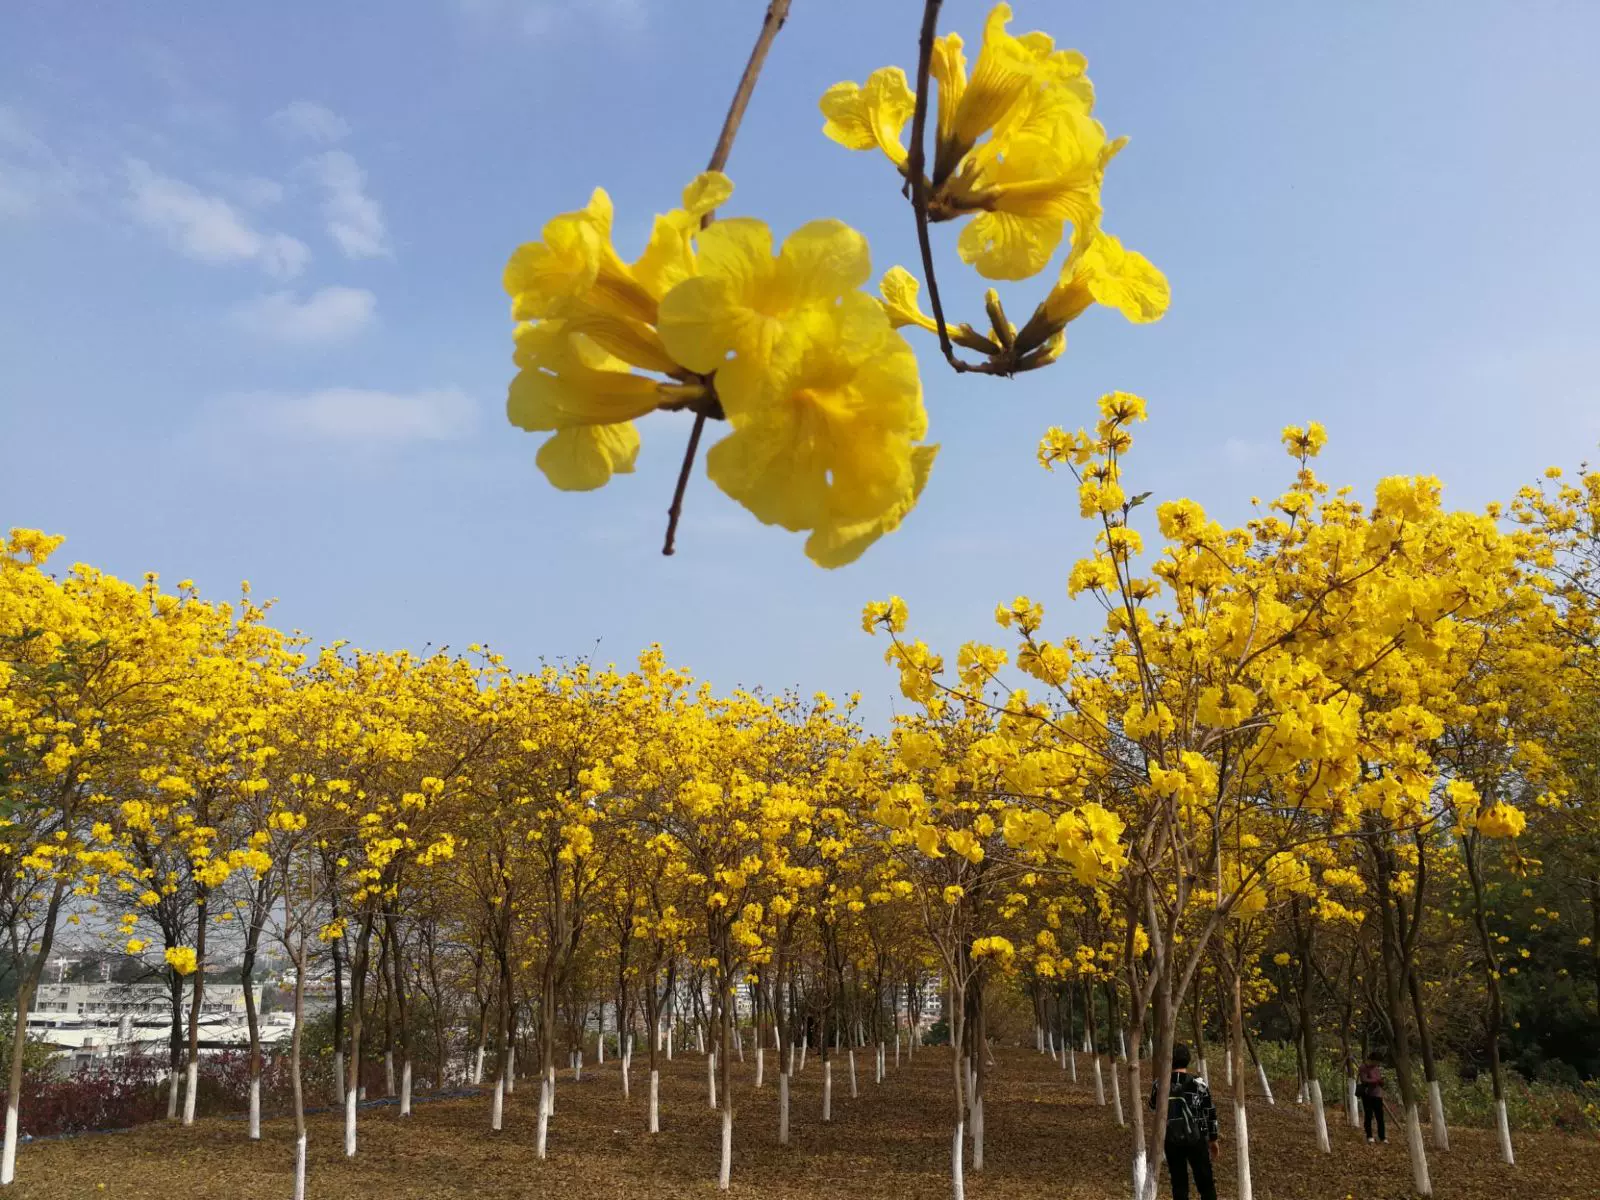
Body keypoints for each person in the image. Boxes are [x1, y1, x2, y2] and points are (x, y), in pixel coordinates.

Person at [1149, 1042, 1220, 1200]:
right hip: (1197, 1138)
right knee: (1206, 1182)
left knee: (1179, 1183)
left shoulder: (1159, 1084)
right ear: (1188, 1059)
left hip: (1171, 1139)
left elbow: (1153, 1107)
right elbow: (1210, 1112)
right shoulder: (1198, 1084)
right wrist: (1213, 1139)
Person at [1358, 1053, 1387, 1143]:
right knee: (1369, 1115)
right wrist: (1375, 1080)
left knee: (1380, 1117)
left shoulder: (1377, 1068)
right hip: (1367, 1094)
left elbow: (1379, 1079)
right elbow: (1364, 1079)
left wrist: (1381, 1082)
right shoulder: (1363, 1067)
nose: (1377, 1064)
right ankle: (1369, 1136)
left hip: (1377, 1094)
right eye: (1376, 1061)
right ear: (1371, 1060)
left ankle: (1382, 1137)